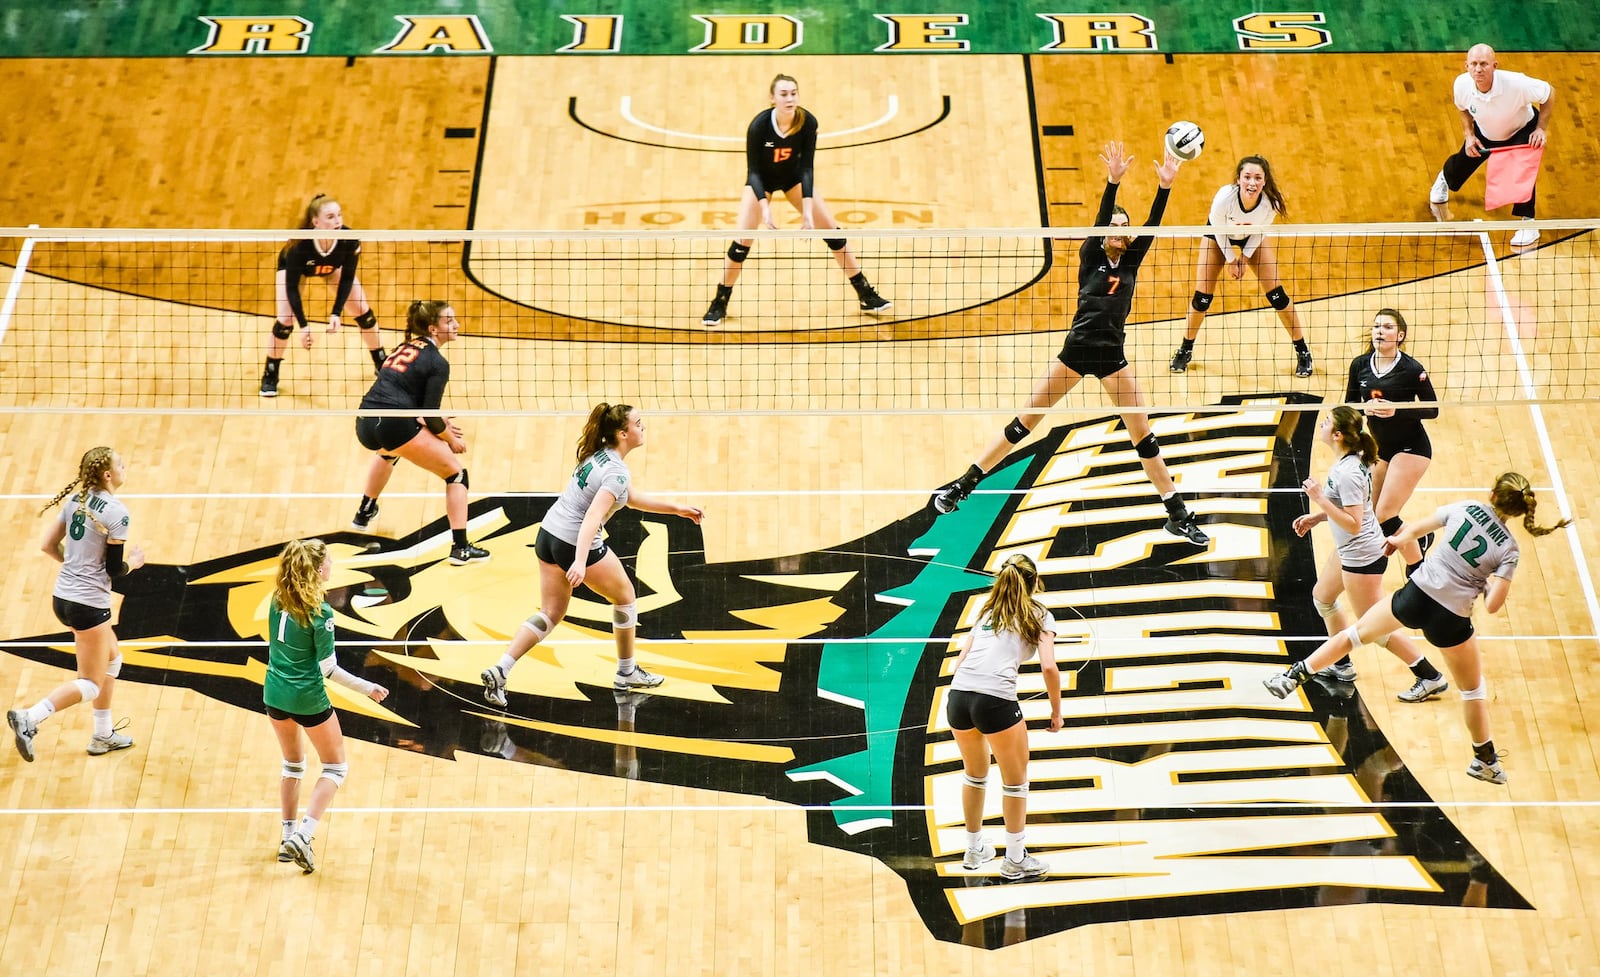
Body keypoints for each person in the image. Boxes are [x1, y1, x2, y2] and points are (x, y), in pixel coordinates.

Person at [930, 141, 1210, 547]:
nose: (1118, 231)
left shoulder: (1131, 260)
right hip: (1076, 351)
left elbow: (1152, 224)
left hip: (1113, 357)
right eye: (1112, 226)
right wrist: (1112, 184)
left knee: (1143, 437)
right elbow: (1101, 218)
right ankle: (962, 486)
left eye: (1123, 227)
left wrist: (1164, 187)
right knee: (1023, 423)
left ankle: (1177, 514)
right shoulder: (1089, 254)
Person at [1264, 472, 1571, 785]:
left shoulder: (1465, 507)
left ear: (1492, 493)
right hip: (1450, 619)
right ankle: (1484, 760)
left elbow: (1415, 529)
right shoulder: (1509, 549)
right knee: (1473, 691)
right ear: (1520, 511)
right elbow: (1493, 606)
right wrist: (1483, 583)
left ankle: (1293, 675)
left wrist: (1395, 541)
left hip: (1417, 595)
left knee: (1353, 636)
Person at [481, 402, 704, 705]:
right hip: (575, 542)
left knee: (550, 613)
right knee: (625, 597)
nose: (643, 427)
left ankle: (501, 669)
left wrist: (676, 509)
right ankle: (627, 672)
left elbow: (630, 499)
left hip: (548, 535)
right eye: (639, 423)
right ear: (623, 433)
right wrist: (581, 562)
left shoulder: (598, 456)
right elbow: (592, 519)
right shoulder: (616, 473)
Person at [699, 73, 891, 327]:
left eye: (793, 93)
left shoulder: (807, 121)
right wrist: (765, 208)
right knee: (742, 241)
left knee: (833, 232)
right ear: (772, 99)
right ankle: (719, 302)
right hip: (762, 183)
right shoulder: (759, 127)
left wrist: (808, 212)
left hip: (793, 179)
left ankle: (865, 293)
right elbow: (753, 172)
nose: (789, 99)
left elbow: (807, 169)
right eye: (784, 94)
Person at [1293, 405, 1447, 701]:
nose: (1321, 425)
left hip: (1362, 555)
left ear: (1337, 435)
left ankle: (1429, 675)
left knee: (1373, 626)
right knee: (1323, 598)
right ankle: (1341, 664)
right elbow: (1357, 511)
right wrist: (1317, 516)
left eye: (1326, 422)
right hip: (1352, 549)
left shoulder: (1348, 471)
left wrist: (1319, 499)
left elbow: (1353, 524)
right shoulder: (1346, 463)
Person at [7, 447, 145, 762]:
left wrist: (74, 569)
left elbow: (46, 545)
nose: (126, 467)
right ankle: (31, 716)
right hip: (89, 605)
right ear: (108, 475)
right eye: (120, 464)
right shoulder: (116, 512)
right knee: (90, 683)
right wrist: (134, 564)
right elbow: (114, 570)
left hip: (63, 596)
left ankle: (103, 735)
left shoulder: (76, 501)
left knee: (113, 661)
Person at [264, 538, 389, 873]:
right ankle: (304, 834)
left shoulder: (277, 600)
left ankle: (286, 838)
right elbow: (328, 669)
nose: (333, 565)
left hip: (274, 694)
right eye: (330, 561)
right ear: (319, 570)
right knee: (335, 768)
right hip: (307, 697)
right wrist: (368, 688)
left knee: (292, 765)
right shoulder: (321, 614)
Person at [947, 554, 1061, 880]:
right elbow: (1049, 666)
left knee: (974, 775)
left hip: (959, 696)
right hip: (994, 700)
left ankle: (973, 849)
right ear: (1033, 581)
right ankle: (1014, 859)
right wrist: (1056, 711)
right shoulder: (1040, 614)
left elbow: (962, 658)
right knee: (1015, 782)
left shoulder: (986, 611)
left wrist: (965, 697)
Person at [349, 300, 489, 565]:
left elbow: (417, 409)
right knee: (456, 474)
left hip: (365, 421)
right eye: (449, 321)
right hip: (395, 424)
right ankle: (461, 548)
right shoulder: (437, 362)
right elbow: (429, 415)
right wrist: (450, 438)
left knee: (389, 452)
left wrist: (436, 422)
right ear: (433, 329)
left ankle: (364, 511)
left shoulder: (403, 347)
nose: (456, 324)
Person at [1169, 155, 1313, 377]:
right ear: (1238, 180)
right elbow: (1218, 232)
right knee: (1202, 299)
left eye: (1257, 178)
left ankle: (1303, 351)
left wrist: (1244, 258)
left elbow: (1259, 233)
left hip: (1252, 238)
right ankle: (1185, 349)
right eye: (1247, 177)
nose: (1252, 183)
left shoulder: (1269, 203)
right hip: (1218, 237)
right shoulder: (1223, 199)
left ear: (1264, 182)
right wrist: (1230, 260)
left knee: (1278, 296)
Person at [1428, 44, 1555, 248]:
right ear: (1467, 66)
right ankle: (1445, 178)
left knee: (1522, 170)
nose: (1479, 69)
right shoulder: (1461, 85)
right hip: (1486, 131)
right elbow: (1462, 109)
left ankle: (1529, 224)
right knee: (1462, 165)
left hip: (1521, 130)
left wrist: (1541, 129)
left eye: (1484, 64)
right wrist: (1469, 135)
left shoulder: (1517, 83)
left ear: (1495, 65)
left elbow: (1549, 94)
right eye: (1474, 64)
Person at [260, 193, 384, 397]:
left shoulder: (349, 239)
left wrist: (336, 313)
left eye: (339, 215)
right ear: (315, 221)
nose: (337, 221)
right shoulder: (299, 245)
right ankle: (270, 373)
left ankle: (381, 361)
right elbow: (292, 288)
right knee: (285, 321)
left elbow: (347, 277)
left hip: (331, 269)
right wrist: (304, 325)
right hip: (299, 271)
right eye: (330, 217)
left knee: (364, 313)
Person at [1347, 309, 1439, 578]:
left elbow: (1433, 409)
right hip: (1382, 449)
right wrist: (1364, 409)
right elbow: (1350, 406)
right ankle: (1419, 541)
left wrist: (1397, 409)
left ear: (1400, 335)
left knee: (1386, 514)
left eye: (1387, 327)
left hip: (1412, 448)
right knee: (1373, 518)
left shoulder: (1412, 369)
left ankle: (1419, 571)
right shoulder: (1360, 365)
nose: (1379, 331)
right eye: (1376, 326)